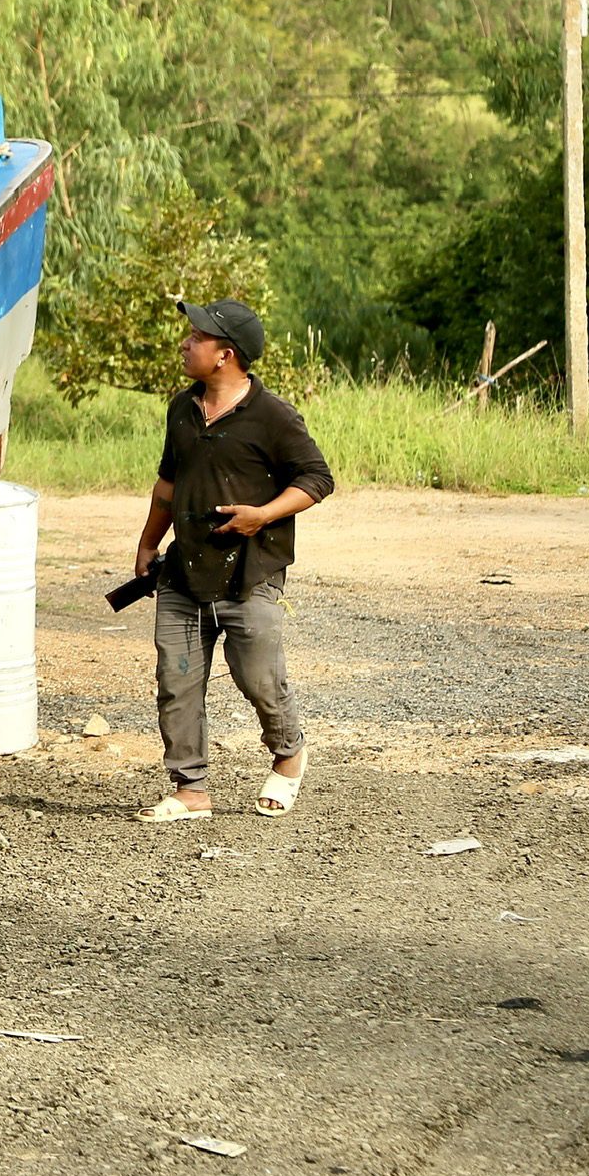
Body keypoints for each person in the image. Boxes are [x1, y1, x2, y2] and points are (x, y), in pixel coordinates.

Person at [130, 299, 335, 823]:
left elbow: (317, 480)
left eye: (195, 337)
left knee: (259, 679)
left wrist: (261, 515)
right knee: (176, 682)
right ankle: (190, 788)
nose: (185, 343)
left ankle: (289, 756)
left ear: (226, 354)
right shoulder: (182, 408)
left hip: (251, 574)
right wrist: (149, 543)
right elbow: (168, 483)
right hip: (183, 572)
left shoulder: (273, 415)